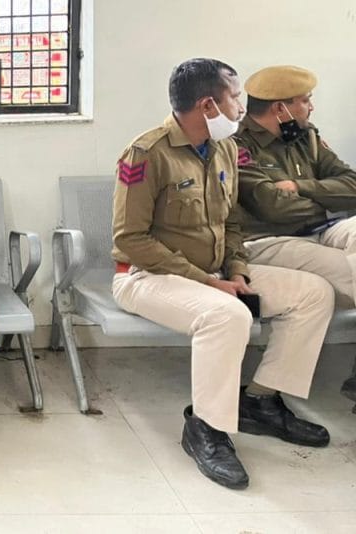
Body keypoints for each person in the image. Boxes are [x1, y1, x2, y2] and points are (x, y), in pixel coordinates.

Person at [111, 58, 334, 490]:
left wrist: (235, 269)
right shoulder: (146, 153)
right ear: (209, 105)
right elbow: (129, 240)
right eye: (235, 98)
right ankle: (206, 430)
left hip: (216, 272)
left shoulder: (226, 148)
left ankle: (261, 401)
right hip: (145, 276)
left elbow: (231, 221)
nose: (241, 106)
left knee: (313, 293)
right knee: (227, 315)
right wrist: (206, 280)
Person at [231, 65, 356, 404]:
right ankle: (261, 400)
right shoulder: (236, 146)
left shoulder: (307, 136)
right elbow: (272, 208)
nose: (311, 107)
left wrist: (299, 187)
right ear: (280, 108)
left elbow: (353, 186)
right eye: (305, 100)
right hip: (265, 243)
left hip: (319, 231)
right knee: (339, 274)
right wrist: (323, 199)